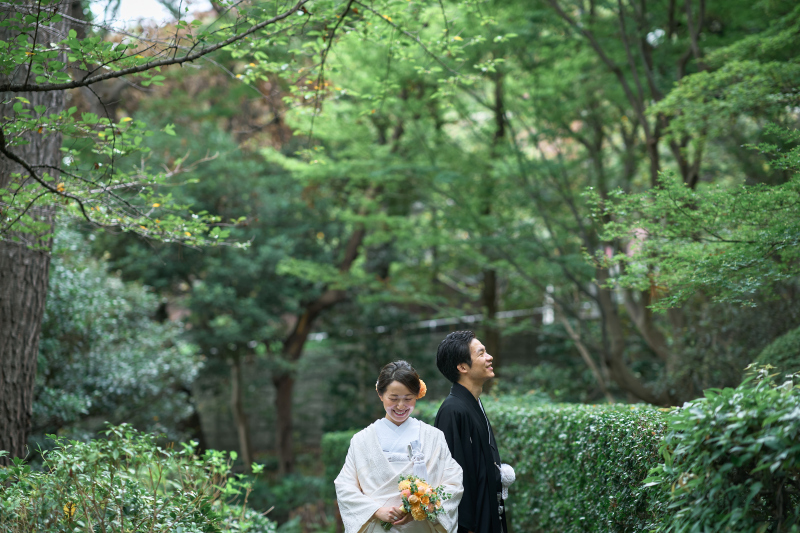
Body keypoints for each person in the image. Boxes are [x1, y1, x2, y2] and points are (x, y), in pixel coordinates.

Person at [335, 360, 464, 533]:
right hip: (378, 526)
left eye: (408, 399)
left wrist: (423, 506)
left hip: (421, 526)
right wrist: (376, 511)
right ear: (380, 395)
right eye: (393, 399)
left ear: (417, 395)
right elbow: (345, 486)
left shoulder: (433, 436)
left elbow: (453, 481)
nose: (401, 406)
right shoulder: (362, 440)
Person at [434, 331, 515, 533]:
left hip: (489, 514)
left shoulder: (472, 402)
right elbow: (452, 477)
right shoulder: (452, 410)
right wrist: (466, 526)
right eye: (481, 354)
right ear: (462, 367)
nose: (489, 357)